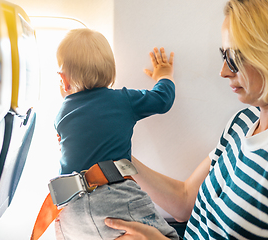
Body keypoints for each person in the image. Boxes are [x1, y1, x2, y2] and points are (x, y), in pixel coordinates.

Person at [104, 0, 268, 239]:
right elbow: (185, 202)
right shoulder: (242, 122)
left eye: (235, 57)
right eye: (224, 55)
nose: (223, 71)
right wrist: (115, 155)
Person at [53, 28, 179, 239]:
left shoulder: (61, 114)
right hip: (116, 200)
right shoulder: (123, 100)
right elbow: (163, 100)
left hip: (70, 208)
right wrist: (164, 75)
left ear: (63, 80)